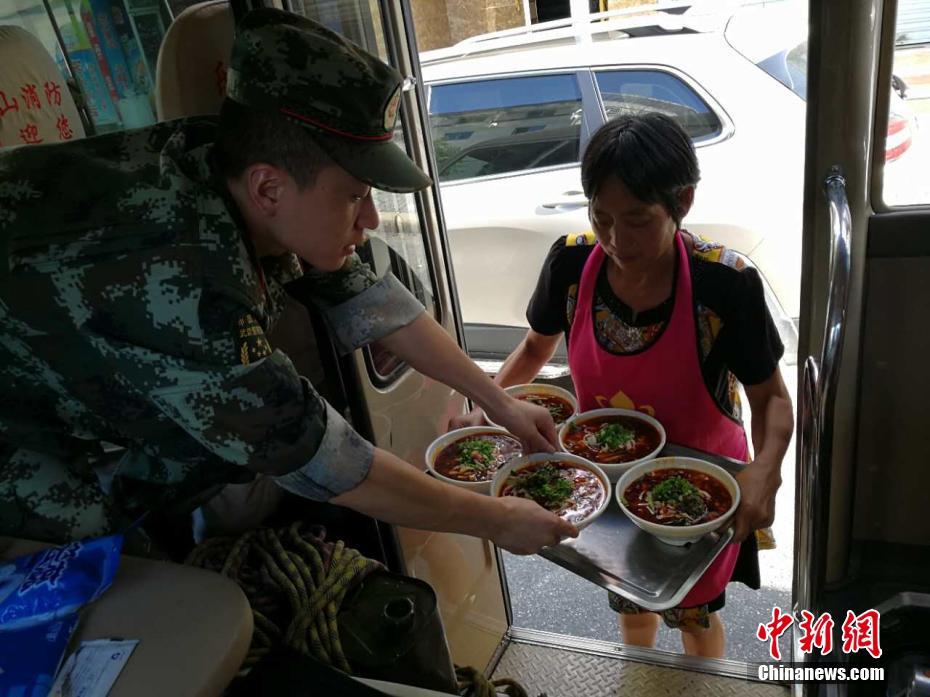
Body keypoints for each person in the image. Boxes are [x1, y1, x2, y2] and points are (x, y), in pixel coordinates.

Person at [0, 8, 576, 555]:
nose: (371, 220)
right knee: (109, 559)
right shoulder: (185, 283)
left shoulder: (222, 159)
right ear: (269, 189)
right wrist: (495, 520)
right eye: (354, 197)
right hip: (24, 432)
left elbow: (370, 298)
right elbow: (322, 459)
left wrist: (499, 402)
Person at [452, 113, 794, 657]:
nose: (615, 239)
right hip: (604, 483)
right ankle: (639, 670)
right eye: (602, 217)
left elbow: (771, 397)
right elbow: (535, 348)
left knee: (695, 617)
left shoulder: (724, 283)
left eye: (638, 220)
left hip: (699, 488)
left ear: (682, 202)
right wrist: (487, 404)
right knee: (630, 604)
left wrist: (766, 470)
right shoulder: (571, 261)